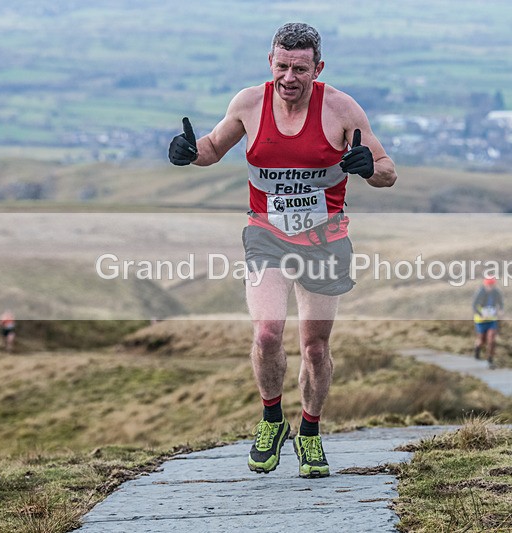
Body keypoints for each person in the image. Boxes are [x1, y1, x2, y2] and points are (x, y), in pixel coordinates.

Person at [168, 22, 396, 478]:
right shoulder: (249, 104)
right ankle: (273, 419)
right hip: (266, 235)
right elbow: (213, 148)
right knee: (267, 333)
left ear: (318, 68)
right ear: (269, 62)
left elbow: (387, 172)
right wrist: (188, 152)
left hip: (324, 241)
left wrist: (368, 167)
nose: (289, 77)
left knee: (314, 348)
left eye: (299, 69)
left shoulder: (342, 109)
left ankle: (309, 432)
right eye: (281, 66)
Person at [471, 275, 503, 369]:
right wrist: (480, 314)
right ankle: (477, 348)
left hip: (492, 319)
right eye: (489, 285)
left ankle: (490, 359)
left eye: (492, 285)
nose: (490, 287)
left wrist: (501, 309)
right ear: (485, 285)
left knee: (491, 339)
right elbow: (474, 305)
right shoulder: (479, 292)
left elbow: (500, 303)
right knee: (482, 341)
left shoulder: (496, 292)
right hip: (481, 320)